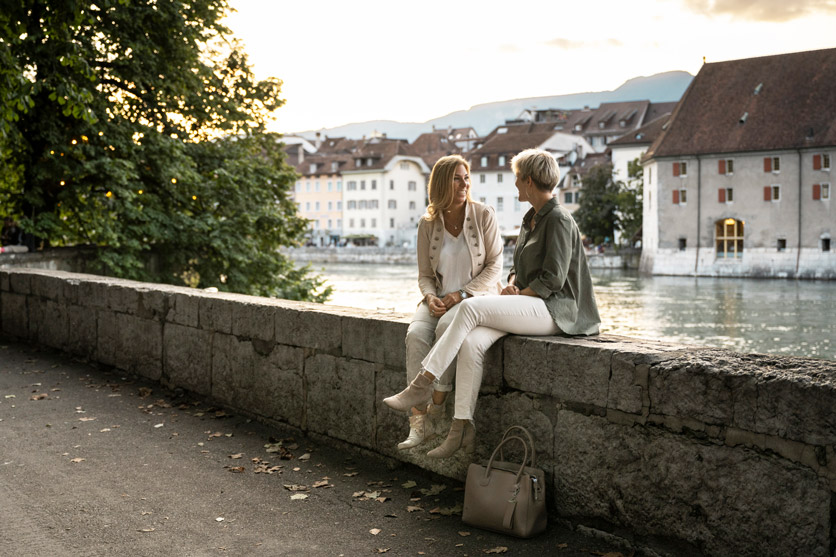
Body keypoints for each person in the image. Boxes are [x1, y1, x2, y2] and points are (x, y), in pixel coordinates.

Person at [384, 148, 600, 458]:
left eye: (516, 179)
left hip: (558, 310)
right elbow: (516, 268)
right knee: (471, 344)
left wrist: (517, 294)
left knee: (470, 308)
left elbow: (552, 281)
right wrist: (512, 285)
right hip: (530, 303)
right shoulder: (532, 219)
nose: (514, 185)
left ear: (528, 180)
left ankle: (423, 383)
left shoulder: (559, 218)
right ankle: (461, 428)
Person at [394, 154, 503, 451]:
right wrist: (430, 296)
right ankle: (417, 424)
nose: (464, 183)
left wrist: (462, 294)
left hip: (473, 300)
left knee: (444, 330)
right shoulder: (428, 223)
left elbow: (495, 266)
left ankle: (437, 407)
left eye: (466, 177)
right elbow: (425, 275)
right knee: (416, 334)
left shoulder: (483, 215)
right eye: (457, 178)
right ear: (442, 183)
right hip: (439, 299)